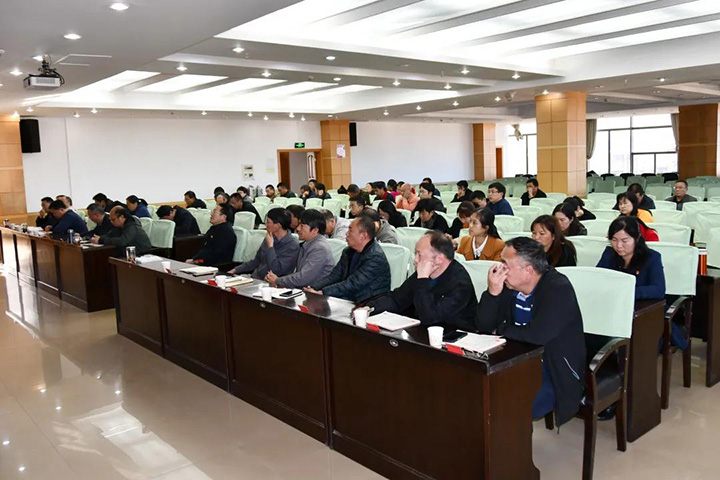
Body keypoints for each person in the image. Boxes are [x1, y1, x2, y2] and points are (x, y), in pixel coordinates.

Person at [475, 236, 586, 425]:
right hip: (517, 359)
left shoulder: (558, 288)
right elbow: (484, 326)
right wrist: (493, 292)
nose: (500, 269)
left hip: (553, 366)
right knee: (479, 394)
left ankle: (514, 443)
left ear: (528, 270)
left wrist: (500, 329)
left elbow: (537, 335)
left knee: (513, 406)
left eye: (505, 264)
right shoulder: (509, 286)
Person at [366, 231, 477, 331]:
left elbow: (430, 318)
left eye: (419, 254)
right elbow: (396, 299)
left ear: (439, 259)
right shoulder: (423, 273)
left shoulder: (460, 284)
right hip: (423, 333)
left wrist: (423, 279)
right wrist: (369, 308)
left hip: (454, 337)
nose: (415, 260)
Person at [306, 216, 391, 302]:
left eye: (350, 230)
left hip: (368, 301)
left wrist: (322, 293)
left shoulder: (375, 257)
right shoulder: (348, 251)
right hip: (349, 296)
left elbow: (353, 284)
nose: (346, 234)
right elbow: (334, 276)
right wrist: (314, 287)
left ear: (363, 235)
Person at [597, 217, 665, 300]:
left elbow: (659, 290)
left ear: (637, 238)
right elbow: (597, 279)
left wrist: (626, 292)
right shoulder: (609, 254)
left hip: (642, 305)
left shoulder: (652, 257)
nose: (619, 245)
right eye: (614, 240)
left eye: (624, 241)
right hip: (614, 302)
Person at [265, 209, 335, 289]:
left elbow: (303, 278)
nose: (297, 229)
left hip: (315, 293)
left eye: (302, 226)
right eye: (298, 225)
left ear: (315, 230)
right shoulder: (307, 244)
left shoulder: (320, 248)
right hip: (304, 289)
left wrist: (277, 280)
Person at [230, 208, 299, 279]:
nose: (266, 224)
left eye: (268, 222)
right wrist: (236, 269)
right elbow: (256, 261)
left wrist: (270, 247)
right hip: (256, 277)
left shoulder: (292, 245)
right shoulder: (270, 238)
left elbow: (276, 270)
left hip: (272, 282)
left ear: (278, 225)